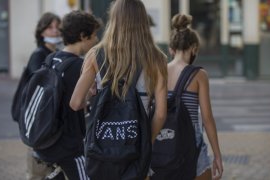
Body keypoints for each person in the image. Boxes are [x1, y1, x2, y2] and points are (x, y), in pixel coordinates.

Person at [69, 0, 167, 179]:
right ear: (143, 22)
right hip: (136, 151)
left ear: (114, 20)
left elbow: (75, 103)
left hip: (101, 151)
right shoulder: (157, 58)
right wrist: (148, 141)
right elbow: (160, 114)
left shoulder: (95, 55)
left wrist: (92, 96)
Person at [34, 10, 101, 180]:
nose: (96, 40)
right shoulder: (78, 65)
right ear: (83, 36)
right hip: (68, 145)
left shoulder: (52, 58)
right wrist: (90, 94)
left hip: (47, 136)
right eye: (94, 35)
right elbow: (76, 103)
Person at [167, 14, 223, 180]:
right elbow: (207, 118)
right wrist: (217, 155)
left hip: (164, 143)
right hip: (191, 144)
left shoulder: (159, 71)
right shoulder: (199, 75)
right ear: (194, 48)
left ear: (171, 49)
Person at [24, 12, 61, 180]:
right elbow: (39, 86)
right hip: (38, 120)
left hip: (50, 119)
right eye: (50, 27)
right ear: (42, 32)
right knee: (37, 172)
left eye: (57, 27)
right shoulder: (39, 54)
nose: (55, 31)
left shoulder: (59, 52)